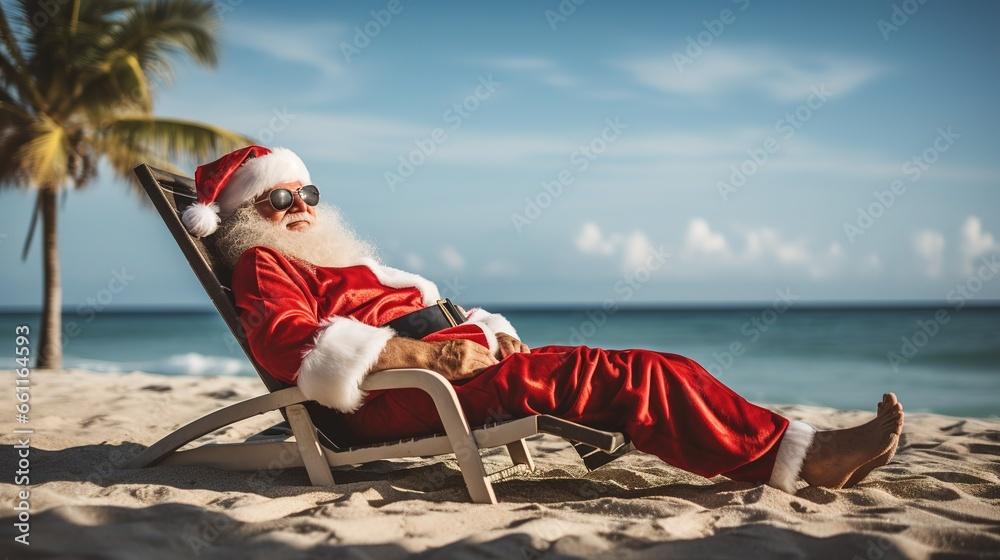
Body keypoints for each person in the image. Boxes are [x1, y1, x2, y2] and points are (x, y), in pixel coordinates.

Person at [182, 145, 904, 494]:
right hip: (403, 398)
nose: (301, 206)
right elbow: (284, 345)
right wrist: (430, 360)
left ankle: (793, 451)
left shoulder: (342, 260)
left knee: (645, 368)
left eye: (306, 190)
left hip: (454, 373)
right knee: (635, 375)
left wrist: (485, 332)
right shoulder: (265, 265)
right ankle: (806, 459)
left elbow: (416, 314)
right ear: (246, 218)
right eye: (279, 200)